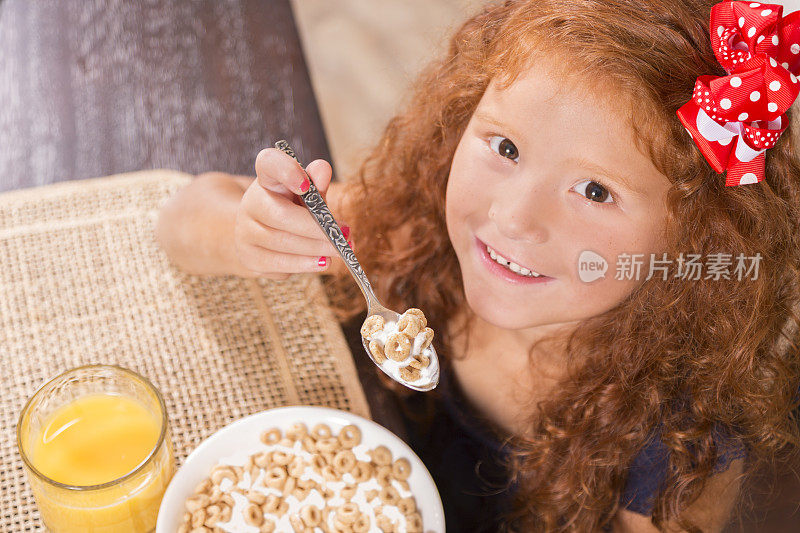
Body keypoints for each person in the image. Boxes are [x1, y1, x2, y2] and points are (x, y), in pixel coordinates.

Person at [156, 0, 800, 530]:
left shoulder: (679, 439)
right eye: (506, 146)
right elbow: (180, 220)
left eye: (595, 191)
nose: (514, 218)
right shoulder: (409, 229)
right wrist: (250, 232)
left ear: (691, 235)